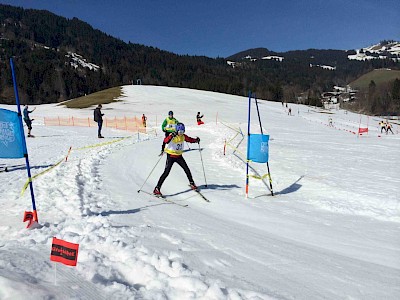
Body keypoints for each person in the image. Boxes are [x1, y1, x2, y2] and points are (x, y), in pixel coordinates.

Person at [153, 123, 200, 196]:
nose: (181, 133)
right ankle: (157, 188)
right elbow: (165, 141)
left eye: (183, 131)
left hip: (179, 156)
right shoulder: (172, 136)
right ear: (177, 130)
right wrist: (171, 136)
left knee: (186, 169)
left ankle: (192, 183)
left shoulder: (183, 136)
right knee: (166, 172)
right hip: (171, 156)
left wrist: (196, 140)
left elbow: (189, 139)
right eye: (180, 132)